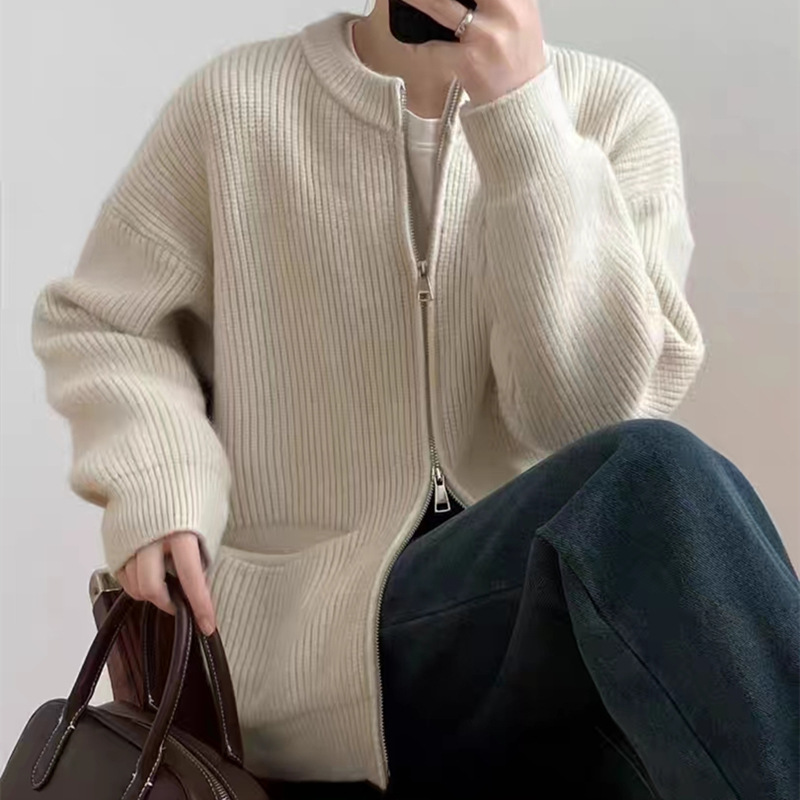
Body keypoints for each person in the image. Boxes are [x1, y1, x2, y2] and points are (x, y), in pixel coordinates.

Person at [32, 0, 799, 798]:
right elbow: (107, 322)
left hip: (534, 639)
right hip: (306, 639)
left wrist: (523, 117)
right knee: (660, 480)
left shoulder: (612, 116)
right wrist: (159, 477)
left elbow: (585, 420)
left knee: (658, 498)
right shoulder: (236, 106)